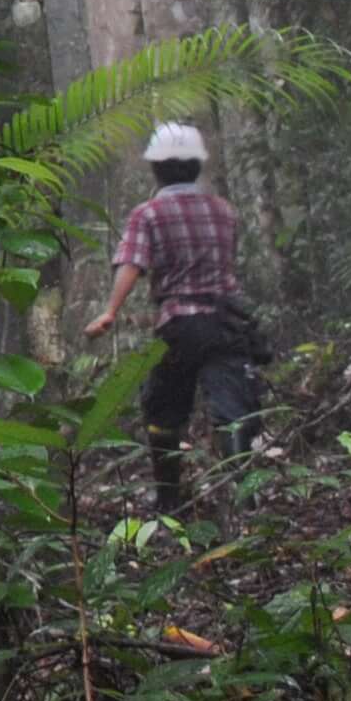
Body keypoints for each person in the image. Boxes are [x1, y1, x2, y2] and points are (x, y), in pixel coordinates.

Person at [85, 121, 264, 511]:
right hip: (226, 321)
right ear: (197, 166)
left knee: (163, 410)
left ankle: (168, 499)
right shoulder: (224, 211)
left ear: (157, 168)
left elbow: (131, 264)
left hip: (179, 325)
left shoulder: (148, 214)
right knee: (233, 410)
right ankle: (245, 501)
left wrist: (110, 311)